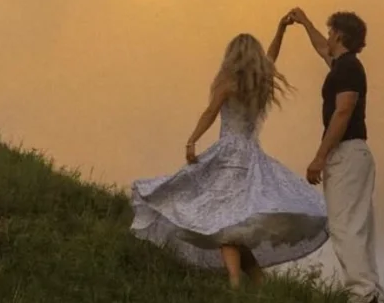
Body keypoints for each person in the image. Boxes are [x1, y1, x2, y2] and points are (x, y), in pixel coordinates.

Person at [129, 22, 328, 288]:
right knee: (232, 226)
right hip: (251, 159)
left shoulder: (229, 82)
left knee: (223, 223)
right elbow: (271, 58)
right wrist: (280, 30)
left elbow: (211, 112)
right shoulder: (261, 83)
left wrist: (192, 140)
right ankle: (256, 281)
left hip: (228, 157)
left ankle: (235, 282)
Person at [286, 7, 384, 303]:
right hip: (354, 154)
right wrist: (305, 22)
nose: (327, 36)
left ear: (340, 35)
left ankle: (363, 294)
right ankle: (371, 293)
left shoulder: (348, 69)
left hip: (346, 153)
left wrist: (320, 156)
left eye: (331, 32)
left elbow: (343, 111)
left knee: (345, 226)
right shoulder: (345, 64)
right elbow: (322, 48)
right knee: (357, 225)